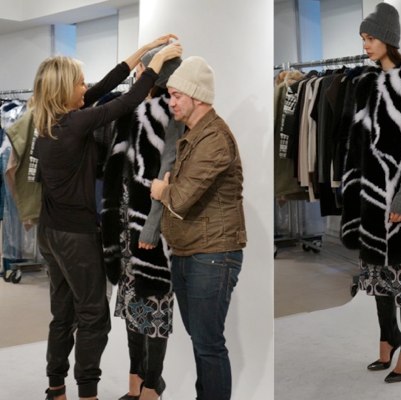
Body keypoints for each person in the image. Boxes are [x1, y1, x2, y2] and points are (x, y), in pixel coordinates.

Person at [31, 35, 182, 400]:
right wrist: (156, 63)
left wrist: (145, 49)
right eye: (80, 83)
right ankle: (88, 394)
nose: (87, 88)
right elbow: (128, 100)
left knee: (62, 313)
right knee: (93, 317)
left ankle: (55, 388)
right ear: (65, 91)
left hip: (49, 233)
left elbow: (106, 85)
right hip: (75, 237)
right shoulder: (76, 124)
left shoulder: (50, 122)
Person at [340, 3, 401, 384]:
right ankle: (387, 337)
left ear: (388, 38)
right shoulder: (365, 83)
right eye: (363, 38)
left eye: (370, 37)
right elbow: (357, 145)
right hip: (371, 196)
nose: (365, 44)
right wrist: (354, 192)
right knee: (378, 273)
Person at [150, 56, 247, 400]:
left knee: (208, 344)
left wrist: (161, 190)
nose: (171, 102)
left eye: (177, 96)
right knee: (202, 341)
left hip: (213, 255)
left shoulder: (215, 139)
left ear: (197, 97)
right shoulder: (195, 135)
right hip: (190, 252)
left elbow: (180, 198)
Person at [100, 45, 184, 400]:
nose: (137, 76)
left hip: (151, 225)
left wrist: (151, 226)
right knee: (133, 308)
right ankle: (135, 383)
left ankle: (152, 385)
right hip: (124, 225)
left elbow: (168, 174)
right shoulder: (129, 111)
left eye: (143, 71)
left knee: (155, 308)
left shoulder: (171, 114)